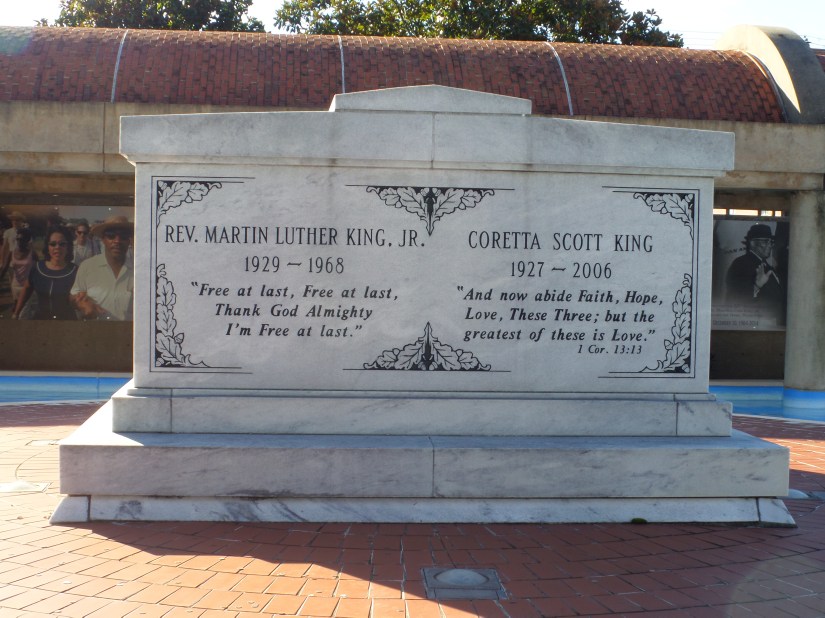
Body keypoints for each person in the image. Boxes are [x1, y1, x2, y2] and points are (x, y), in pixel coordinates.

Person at [71, 216, 134, 321]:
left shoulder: (140, 270)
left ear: (129, 240)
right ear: (103, 239)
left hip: (128, 334)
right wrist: (82, 303)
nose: (117, 241)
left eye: (123, 236)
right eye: (111, 236)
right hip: (95, 333)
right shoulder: (87, 266)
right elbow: (73, 296)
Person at [13, 227, 78, 320]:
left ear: (68, 247)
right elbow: (27, 288)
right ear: (48, 247)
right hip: (41, 321)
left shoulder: (76, 271)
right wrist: (16, 313)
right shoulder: (37, 268)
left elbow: (82, 300)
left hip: (67, 323)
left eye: (62, 244)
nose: (57, 247)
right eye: (53, 244)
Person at [725, 223, 783, 308]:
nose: (770, 245)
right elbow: (735, 296)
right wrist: (756, 286)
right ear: (752, 243)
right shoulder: (741, 263)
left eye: (771, 242)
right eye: (765, 241)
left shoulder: (768, 266)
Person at [1, 228, 35, 318]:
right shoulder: (11, 253)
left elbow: (38, 269)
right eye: (18, 239)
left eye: (22, 239)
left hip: (28, 288)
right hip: (15, 286)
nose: (19, 242)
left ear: (27, 240)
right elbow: (4, 268)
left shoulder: (32, 254)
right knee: (18, 309)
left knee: (22, 314)